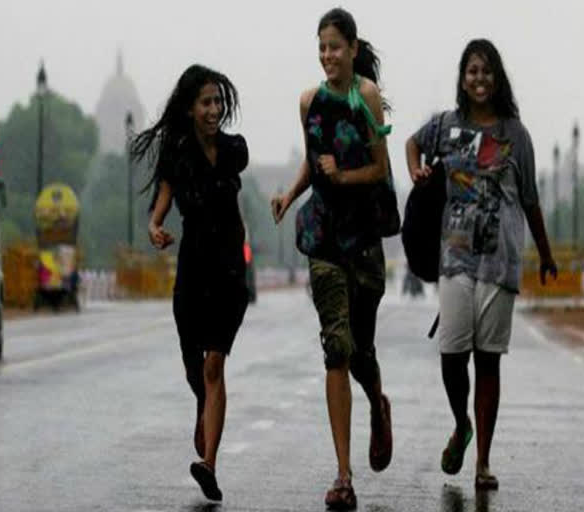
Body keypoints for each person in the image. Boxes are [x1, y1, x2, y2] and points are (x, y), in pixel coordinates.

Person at [405, 39, 557, 490]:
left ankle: (484, 461)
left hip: (500, 261)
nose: (479, 79)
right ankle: (460, 424)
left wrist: (546, 254)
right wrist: (415, 170)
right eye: (472, 71)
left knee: (488, 360)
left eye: (487, 71)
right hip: (453, 257)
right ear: (462, 77)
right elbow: (412, 144)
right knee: (453, 354)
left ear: (498, 78)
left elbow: (529, 200)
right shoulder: (447, 126)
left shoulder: (516, 134)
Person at [272, 8, 393, 510]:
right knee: (336, 347)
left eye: (335, 47)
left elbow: (379, 168)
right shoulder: (308, 102)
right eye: (321, 48)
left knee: (361, 350)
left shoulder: (365, 97)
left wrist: (341, 175)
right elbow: (311, 154)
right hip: (321, 236)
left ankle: (378, 404)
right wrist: (291, 193)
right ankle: (343, 474)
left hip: (362, 237)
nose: (327, 57)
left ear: (353, 48)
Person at [129, 64, 249, 502]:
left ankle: (209, 464)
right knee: (194, 368)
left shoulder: (235, 150)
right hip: (192, 271)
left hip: (230, 272)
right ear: (191, 108)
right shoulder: (177, 154)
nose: (214, 109)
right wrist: (155, 227)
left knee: (215, 365)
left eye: (218, 101)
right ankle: (202, 401)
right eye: (206, 102)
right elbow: (161, 202)